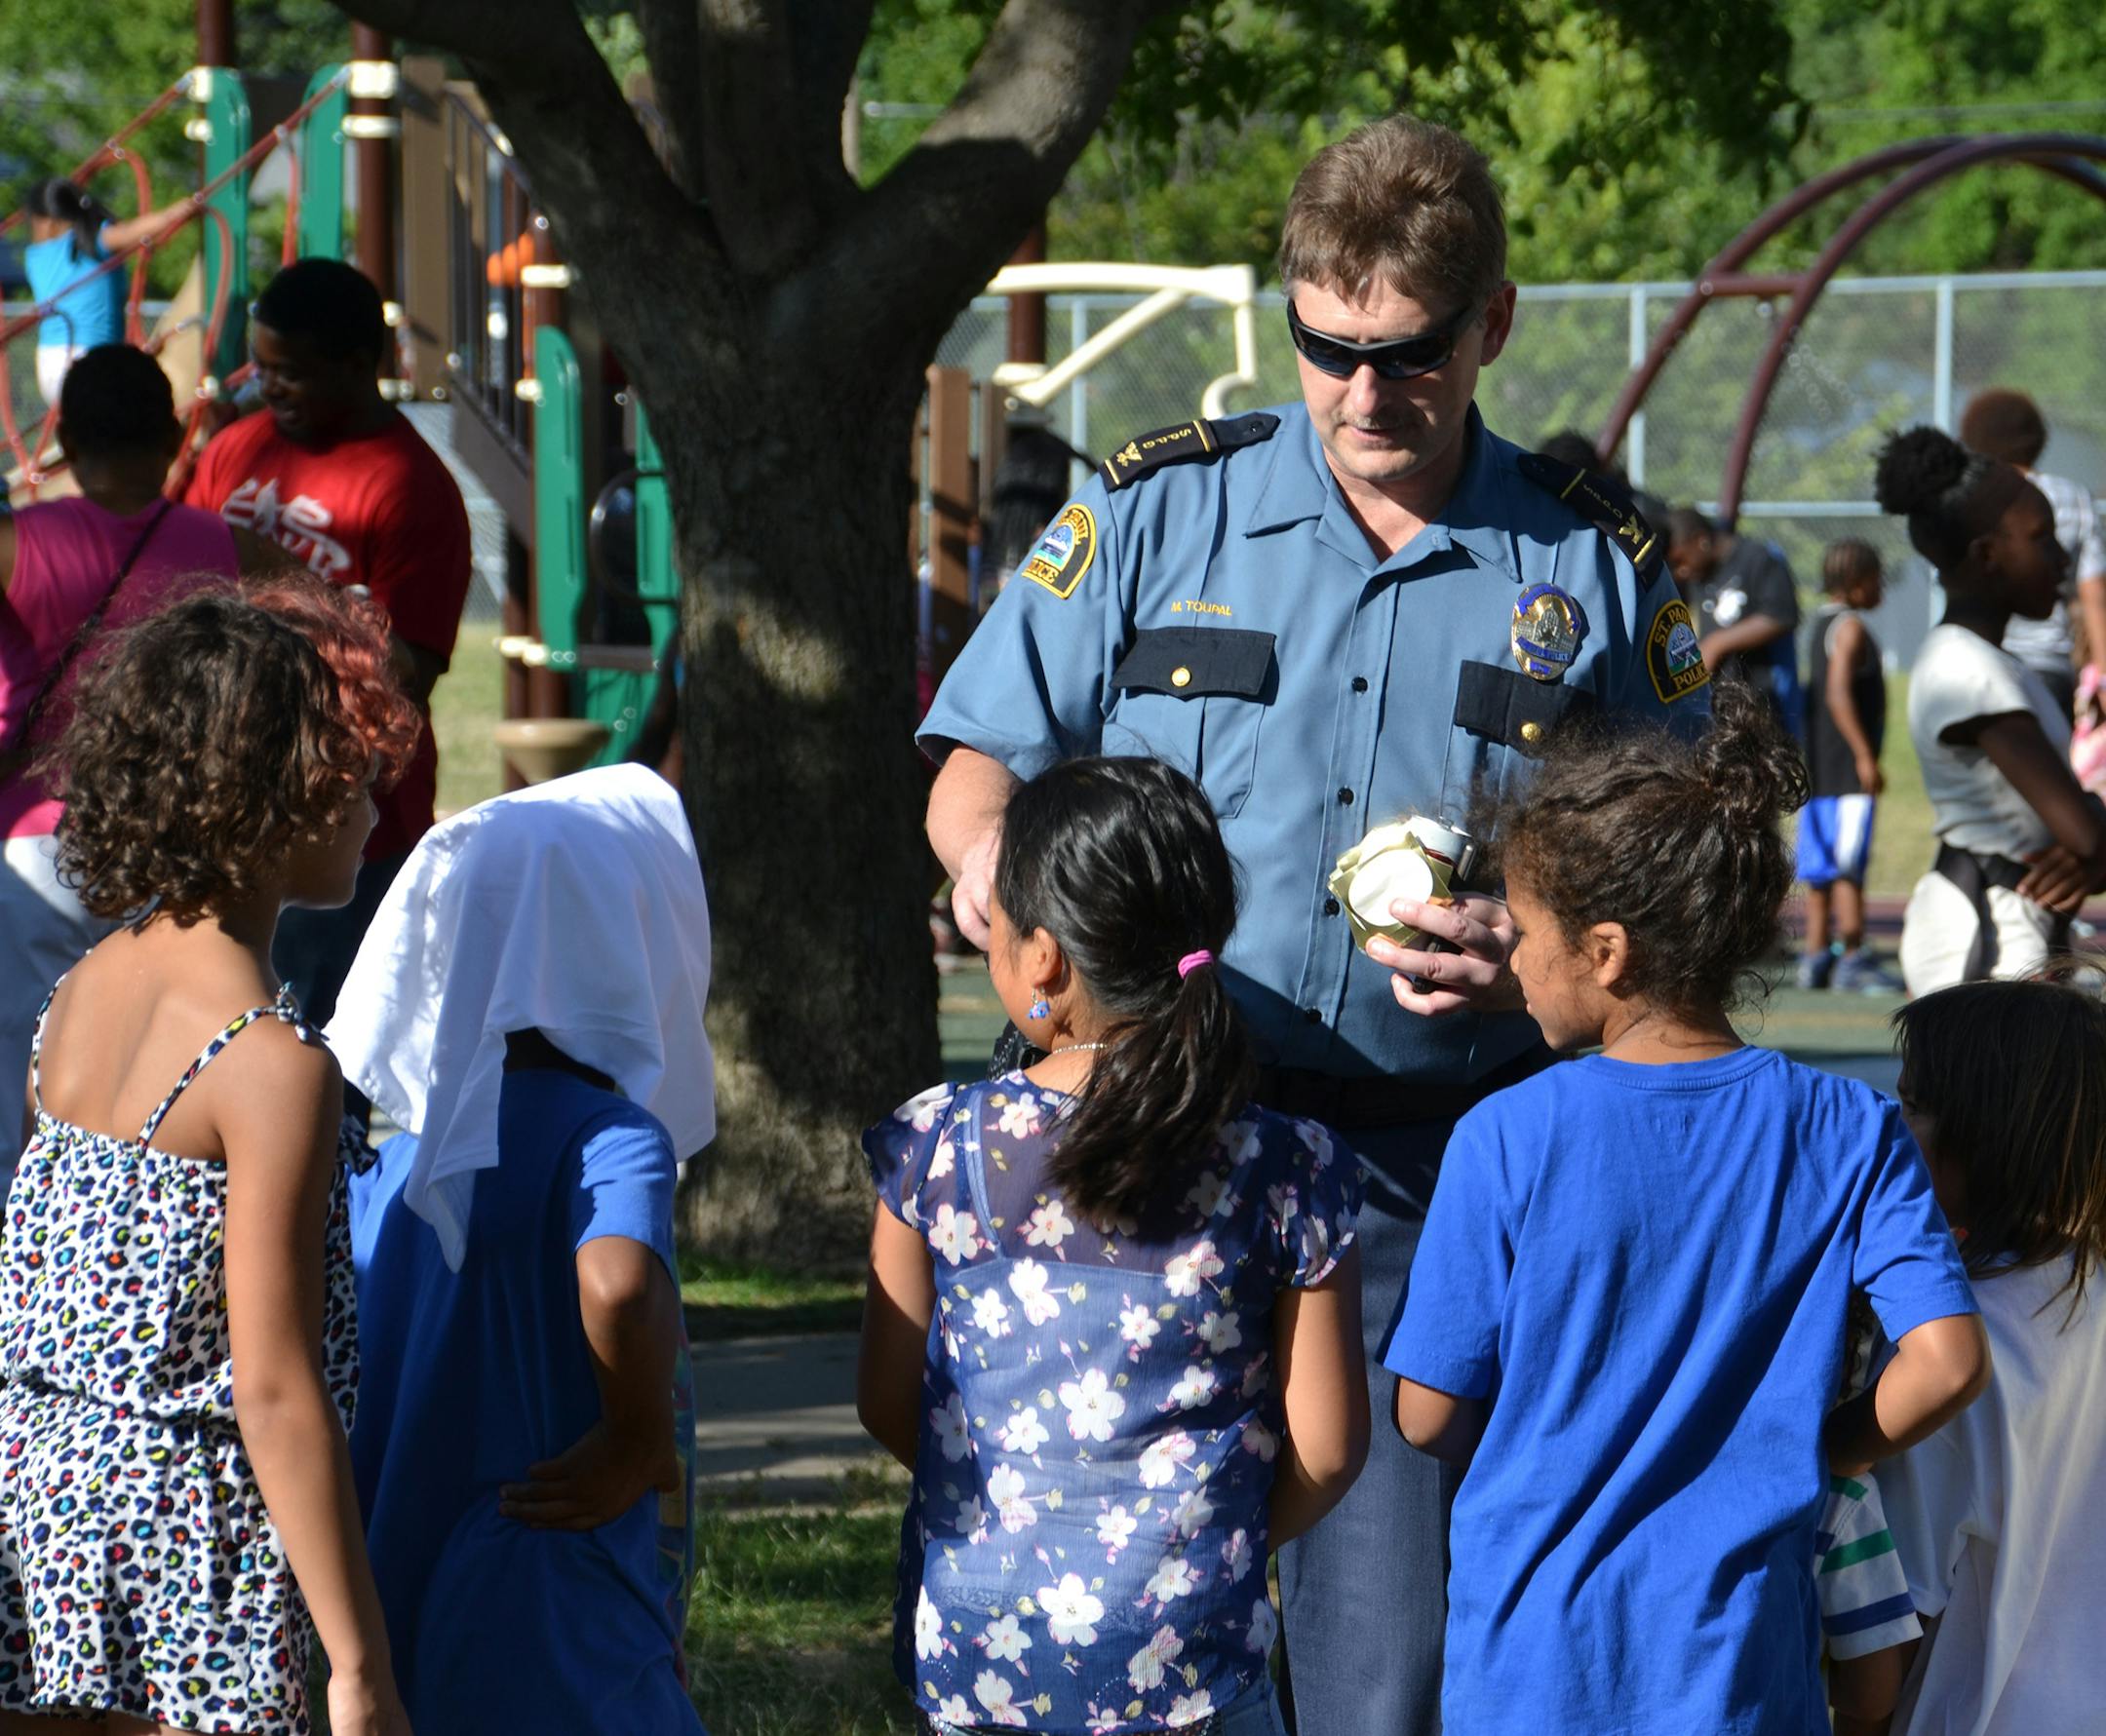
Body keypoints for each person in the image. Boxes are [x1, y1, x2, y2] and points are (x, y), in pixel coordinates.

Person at [916, 116, 1707, 1735]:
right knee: (1112, 1610)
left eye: (1408, 355)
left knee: (1382, 1656)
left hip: (1430, 1167)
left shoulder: (1593, 564)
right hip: (1155, 1155)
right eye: (1327, 349)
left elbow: (1690, 858)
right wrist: (994, 855)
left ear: (1491, 322)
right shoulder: (1158, 513)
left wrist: (1546, 941)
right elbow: (979, 753)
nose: (1363, 393)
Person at [1384, 681, 1989, 1736]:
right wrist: (1822, 1447)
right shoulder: (1851, 1126)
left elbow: (1429, 1411)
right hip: (1743, 1663)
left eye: (1524, 931)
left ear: (1607, 950)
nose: (1511, 956)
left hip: (1531, 1660)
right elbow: (1948, 1360)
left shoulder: (1505, 1134)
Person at [861, 755, 1366, 1735]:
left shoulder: (934, 1146)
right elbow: (1333, 1447)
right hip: (1196, 1673)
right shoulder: (1291, 1165)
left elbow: (889, 1404)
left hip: (983, 1666)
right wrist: (1202, 1545)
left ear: (1042, 957)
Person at [0, 581, 420, 1734]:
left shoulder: (77, 992)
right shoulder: (271, 1063)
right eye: (348, 775)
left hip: (40, 1491)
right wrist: (360, 1659)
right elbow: (275, 1388)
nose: (374, 806)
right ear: (266, 797)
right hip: (190, 1530)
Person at [329, 764, 714, 1735]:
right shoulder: (609, 1136)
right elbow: (618, 1282)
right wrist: (635, 1439)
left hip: (404, 1595)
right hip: (555, 1606)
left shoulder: (401, 1160)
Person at [185, 255, 474, 1034]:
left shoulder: (410, 485)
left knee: (311, 1040)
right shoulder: (236, 449)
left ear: (357, 365)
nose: (269, 388)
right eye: (263, 367)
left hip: (345, 823)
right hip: (227, 798)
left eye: (293, 373)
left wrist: (290, 605)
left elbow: (410, 673)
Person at [1826, 978, 2106, 1736]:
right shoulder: (2086, 1284)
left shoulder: (1945, 1347)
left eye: (1913, 1103)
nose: (1892, 1121)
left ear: (1986, 1132)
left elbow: (1891, 1633)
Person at [0, 343, 241, 1194]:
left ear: (61, 436)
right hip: (172, 840)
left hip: (40, 833)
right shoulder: (224, 547)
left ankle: (23, 1243)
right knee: (157, 1047)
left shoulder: (18, 542)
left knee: (22, 1051)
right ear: (175, 433)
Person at [1873, 428, 2106, 992]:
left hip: (2014, 932)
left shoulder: (1994, 663)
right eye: (2041, 538)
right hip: (1987, 945)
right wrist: (2093, 839)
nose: (2060, 556)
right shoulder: (1965, 669)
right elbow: (2084, 836)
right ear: (1988, 555)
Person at [1957, 389, 2106, 717]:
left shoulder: (1969, 497)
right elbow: (2093, 592)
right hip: (2050, 662)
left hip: (1982, 661)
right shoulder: (2073, 497)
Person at [1798, 537, 1902, 991]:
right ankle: (1854, 956)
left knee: (1820, 867)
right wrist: (1864, 753)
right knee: (1847, 866)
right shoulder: (1851, 628)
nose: (1881, 588)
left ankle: (1816, 955)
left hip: (1818, 767)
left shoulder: (1818, 623)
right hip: (1844, 770)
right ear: (1858, 582)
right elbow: (1839, 693)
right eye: (1877, 579)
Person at [20, 177, 188, 406]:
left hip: (50, 364)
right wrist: (179, 211)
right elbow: (135, 232)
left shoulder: (34, 256)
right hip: (92, 362)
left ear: (45, 223)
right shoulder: (96, 242)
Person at [1666, 504, 1804, 729]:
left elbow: (1781, 615)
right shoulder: (1697, 578)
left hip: (1763, 702)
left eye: (1681, 560)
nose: (1681, 570)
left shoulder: (1758, 558)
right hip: (1718, 706)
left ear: (1701, 540)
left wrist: (1717, 643)